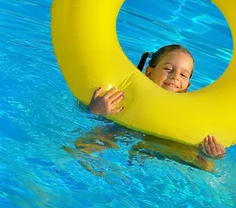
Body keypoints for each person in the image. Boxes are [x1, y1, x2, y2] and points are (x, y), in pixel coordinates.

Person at [88, 44, 226, 160]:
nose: (175, 77)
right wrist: (95, 111)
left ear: (188, 86)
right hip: (123, 136)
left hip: (164, 151)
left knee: (205, 164)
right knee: (88, 147)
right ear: (148, 72)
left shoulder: (187, 115)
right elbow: (101, 124)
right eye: (168, 69)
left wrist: (213, 154)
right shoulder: (125, 97)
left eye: (183, 74)